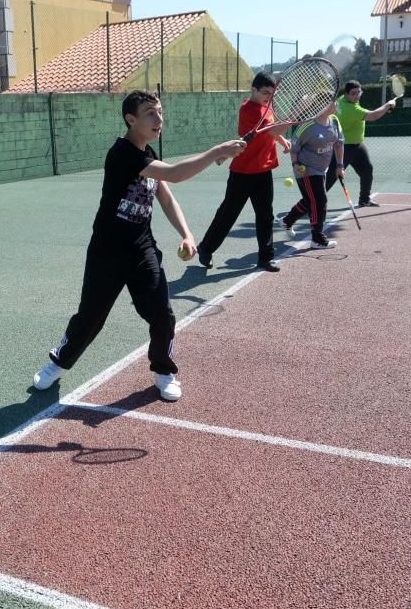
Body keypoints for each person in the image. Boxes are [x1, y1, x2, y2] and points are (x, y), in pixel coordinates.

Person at [32, 90, 246, 402]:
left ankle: (163, 371)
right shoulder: (122, 154)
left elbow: (166, 194)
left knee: (162, 313)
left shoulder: (148, 155)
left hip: (141, 248)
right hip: (107, 250)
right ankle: (59, 363)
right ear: (131, 119)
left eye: (160, 111)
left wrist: (186, 233)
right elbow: (175, 174)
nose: (159, 119)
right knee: (90, 317)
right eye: (150, 113)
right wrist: (217, 151)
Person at [197, 71, 289, 273]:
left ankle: (266, 258)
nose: (268, 97)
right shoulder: (248, 110)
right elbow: (275, 129)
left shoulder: (266, 105)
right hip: (243, 172)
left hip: (264, 171)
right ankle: (205, 247)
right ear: (253, 90)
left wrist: (282, 141)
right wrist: (299, 112)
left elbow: (272, 131)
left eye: (271, 94)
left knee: (265, 215)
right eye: (265, 92)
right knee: (228, 214)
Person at [278, 101, 345, 249]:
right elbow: (294, 148)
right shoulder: (307, 125)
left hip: (322, 169)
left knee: (310, 200)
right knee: (319, 201)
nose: (336, 103)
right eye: (332, 101)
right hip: (306, 169)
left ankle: (287, 221)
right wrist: (296, 164)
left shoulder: (334, 120)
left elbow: (339, 144)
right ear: (322, 105)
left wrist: (340, 166)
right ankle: (317, 238)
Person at [324, 80, 396, 207]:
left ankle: (364, 200)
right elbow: (373, 116)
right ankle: (310, 203)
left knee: (367, 170)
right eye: (353, 93)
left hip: (356, 146)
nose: (357, 96)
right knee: (330, 177)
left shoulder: (342, 100)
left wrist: (386, 109)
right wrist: (388, 105)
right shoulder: (351, 109)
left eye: (359, 92)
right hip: (342, 147)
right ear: (346, 94)